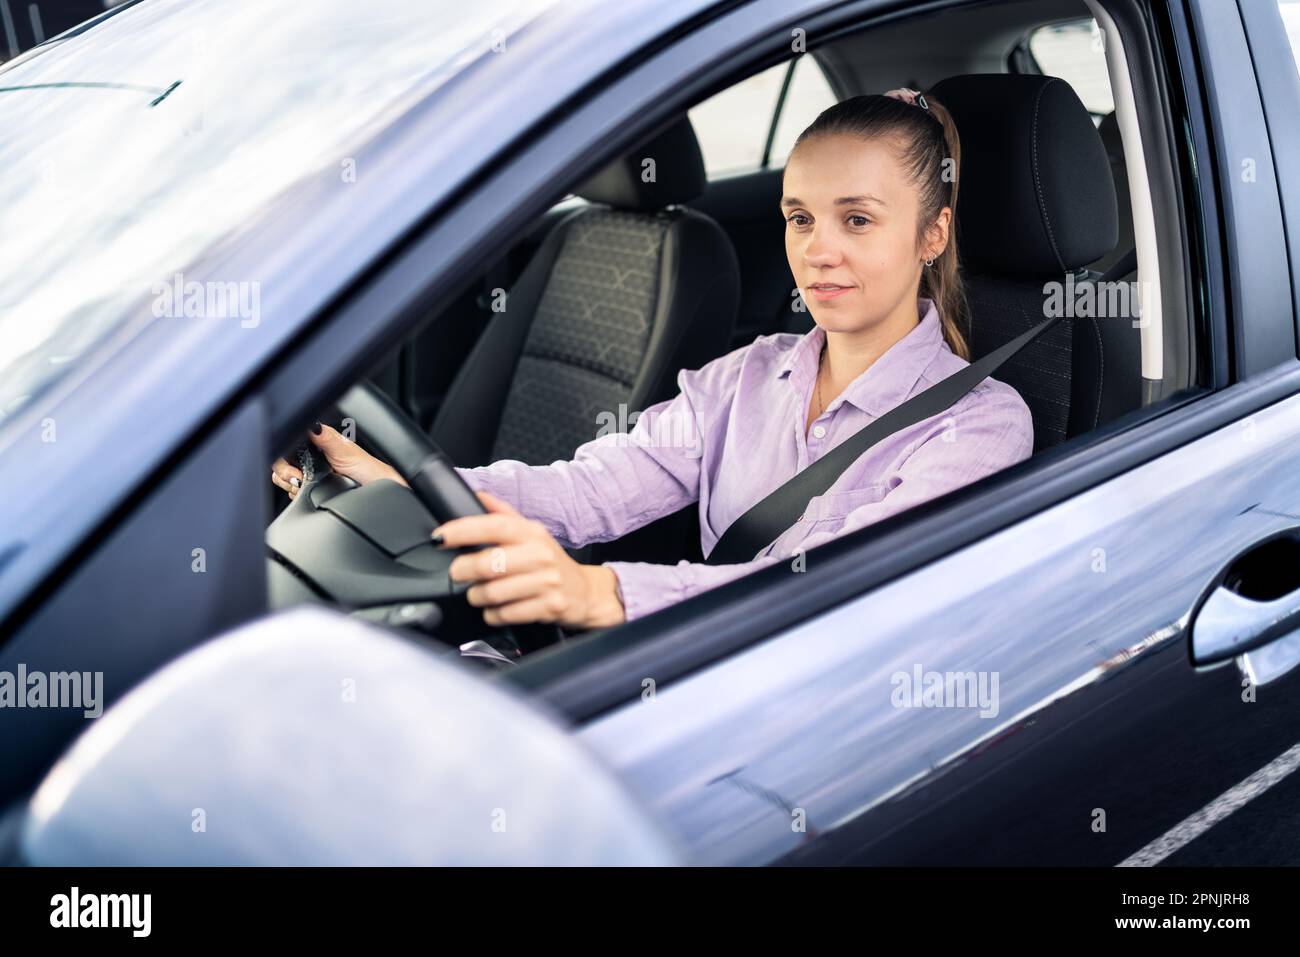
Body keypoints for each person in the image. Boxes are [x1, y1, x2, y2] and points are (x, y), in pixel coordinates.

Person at [272, 88, 1033, 630]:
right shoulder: (748, 373)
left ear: (932, 235)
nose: (817, 250)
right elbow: (587, 490)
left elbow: (832, 591)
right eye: (799, 218)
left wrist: (603, 594)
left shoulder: (983, 426)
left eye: (857, 220)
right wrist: (407, 482)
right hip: (700, 659)